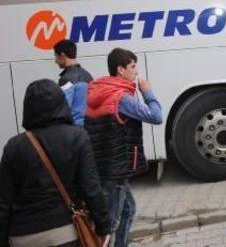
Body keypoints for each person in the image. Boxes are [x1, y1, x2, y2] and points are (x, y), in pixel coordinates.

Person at [0, 79, 110, 247]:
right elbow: (91, 188)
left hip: (22, 235)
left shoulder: (13, 146)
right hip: (65, 232)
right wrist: (103, 227)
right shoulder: (77, 137)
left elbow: (4, 201)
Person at [85, 48, 163, 247]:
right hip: (115, 170)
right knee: (111, 223)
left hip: (105, 167)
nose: (136, 71)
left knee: (128, 210)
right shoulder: (121, 98)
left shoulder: (99, 91)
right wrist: (147, 92)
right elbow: (155, 116)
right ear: (120, 70)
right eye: (132, 66)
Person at [54, 39, 92, 127]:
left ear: (62, 56)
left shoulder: (66, 79)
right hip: (89, 127)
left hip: (75, 130)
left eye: (56, 56)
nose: (55, 61)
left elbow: (63, 108)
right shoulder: (88, 75)